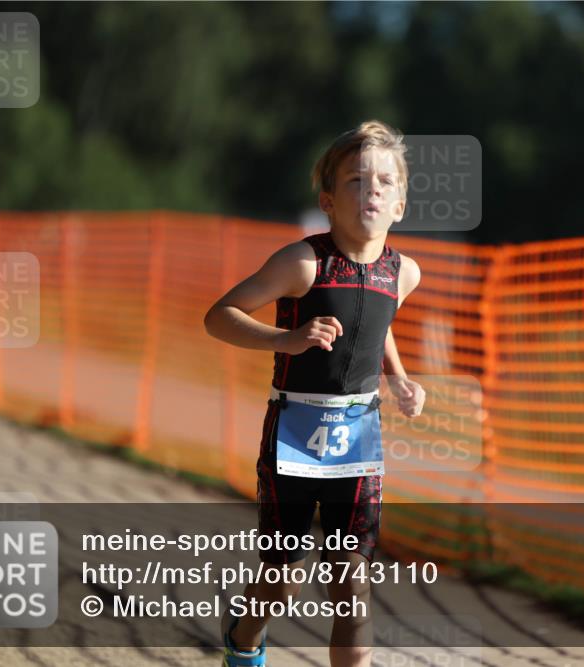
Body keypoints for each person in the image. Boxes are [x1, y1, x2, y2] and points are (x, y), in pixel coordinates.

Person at [204, 119, 425, 667]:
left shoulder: (403, 273)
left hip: (359, 441)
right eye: (356, 180)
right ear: (328, 201)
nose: (372, 190)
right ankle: (243, 641)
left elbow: (378, 324)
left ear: (400, 205)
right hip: (294, 438)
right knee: (283, 581)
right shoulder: (303, 263)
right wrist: (287, 338)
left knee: (352, 586)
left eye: (385, 181)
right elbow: (219, 316)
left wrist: (398, 376)